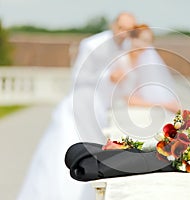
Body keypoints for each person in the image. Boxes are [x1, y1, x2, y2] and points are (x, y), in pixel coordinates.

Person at [17, 16, 179, 200]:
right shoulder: (92, 44)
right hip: (79, 108)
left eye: (129, 29)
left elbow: (129, 95)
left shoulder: (127, 50)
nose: (123, 33)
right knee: (59, 155)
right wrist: (109, 77)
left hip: (101, 111)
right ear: (113, 25)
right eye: (120, 27)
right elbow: (78, 78)